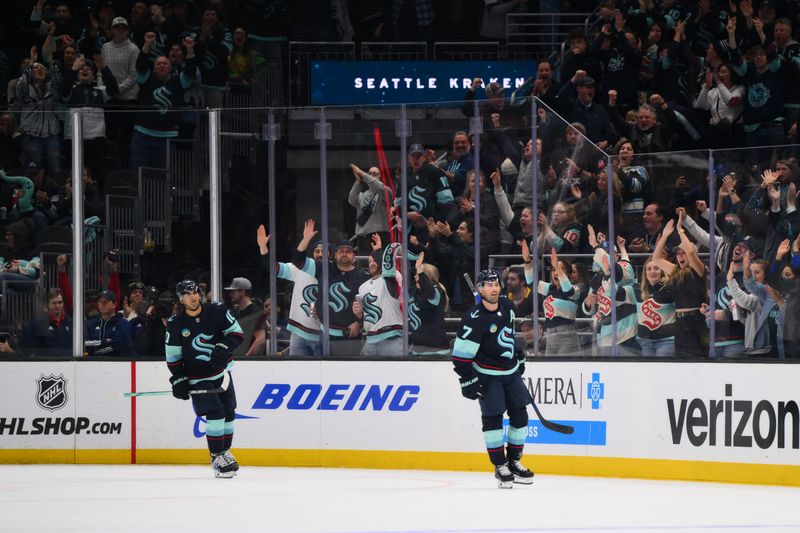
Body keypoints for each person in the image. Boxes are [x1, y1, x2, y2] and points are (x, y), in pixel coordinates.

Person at [452, 269, 534, 489]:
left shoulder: (508, 307)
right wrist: (467, 379)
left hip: (510, 372)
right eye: (488, 285)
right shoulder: (473, 318)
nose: (494, 288)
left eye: (496, 283)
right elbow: (461, 355)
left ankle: (514, 461)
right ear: (480, 289)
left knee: (520, 416)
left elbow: (507, 334)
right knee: (493, 418)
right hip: (488, 374)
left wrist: (517, 354)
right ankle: (500, 465)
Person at [165, 279, 244, 478]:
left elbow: (236, 333)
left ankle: (225, 451)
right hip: (197, 378)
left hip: (222, 373)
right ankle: (216, 456)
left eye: (195, 292)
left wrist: (225, 347)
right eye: (187, 294)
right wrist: (179, 378)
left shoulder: (216, 311)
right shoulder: (176, 324)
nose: (192, 296)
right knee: (215, 413)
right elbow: (173, 356)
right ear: (181, 299)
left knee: (229, 412)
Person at [292, 219, 369, 355]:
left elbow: (371, 303)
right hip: (325, 336)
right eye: (341, 251)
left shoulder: (362, 276)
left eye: (348, 251)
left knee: (348, 374)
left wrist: (359, 322)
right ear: (335, 254)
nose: (344, 253)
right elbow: (298, 261)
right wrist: (306, 239)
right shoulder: (324, 268)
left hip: (351, 337)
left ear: (354, 256)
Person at [258, 225, 322, 356]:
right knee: (296, 373)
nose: (320, 254)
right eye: (317, 251)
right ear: (313, 253)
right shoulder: (300, 268)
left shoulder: (333, 272)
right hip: (299, 332)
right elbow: (273, 268)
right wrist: (263, 247)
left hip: (323, 335)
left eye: (324, 251)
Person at [353, 235, 404, 356]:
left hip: (392, 338)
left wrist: (379, 251)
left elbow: (388, 272)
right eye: (369, 261)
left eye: (374, 260)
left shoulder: (393, 276)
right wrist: (359, 315)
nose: (372, 263)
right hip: (370, 339)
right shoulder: (363, 287)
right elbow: (365, 315)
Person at [408, 251, 450, 356]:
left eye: (418, 273)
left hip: (437, 350)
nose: (415, 275)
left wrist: (421, 274)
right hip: (417, 349)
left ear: (426, 276)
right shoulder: (414, 291)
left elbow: (430, 294)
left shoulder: (437, 291)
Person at [84, 290, 133, 356]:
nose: (102, 304)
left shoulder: (123, 324)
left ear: (114, 304)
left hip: (116, 363)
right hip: (92, 364)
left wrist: (95, 351)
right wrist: (105, 341)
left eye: (106, 301)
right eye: (100, 301)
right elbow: (85, 344)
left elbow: (119, 346)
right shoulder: (89, 324)